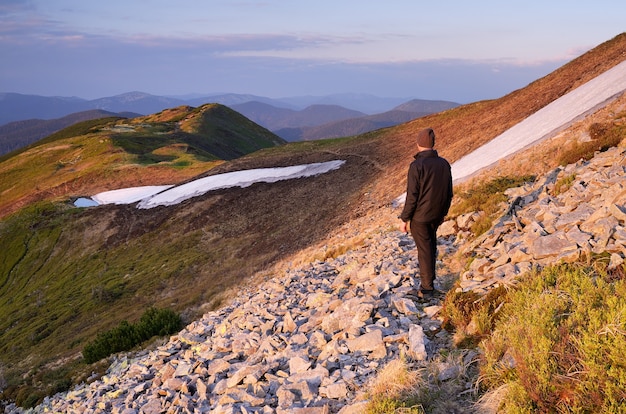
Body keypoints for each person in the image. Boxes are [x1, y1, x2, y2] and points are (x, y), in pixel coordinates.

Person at [399, 127, 453, 299]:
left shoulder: (417, 166)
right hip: (437, 213)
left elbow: (412, 195)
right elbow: (448, 191)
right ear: (433, 144)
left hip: (420, 216)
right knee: (431, 246)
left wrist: (404, 218)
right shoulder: (444, 164)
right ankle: (429, 283)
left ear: (418, 144)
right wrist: (443, 212)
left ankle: (427, 289)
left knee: (424, 250)